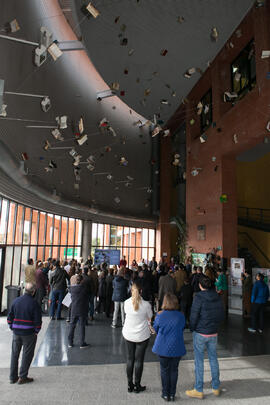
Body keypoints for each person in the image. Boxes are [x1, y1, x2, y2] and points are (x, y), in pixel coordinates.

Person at [186, 277, 224, 399]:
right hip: (213, 332)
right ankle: (216, 387)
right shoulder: (217, 296)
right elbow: (221, 314)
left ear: (200, 286)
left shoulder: (199, 297)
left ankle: (199, 389)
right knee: (213, 358)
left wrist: (192, 327)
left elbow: (194, 314)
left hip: (200, 332)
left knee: (199, 360)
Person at [152, 293, 186, 401]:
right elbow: (182, 328)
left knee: (164, 370)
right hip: (177, 346)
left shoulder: (160, 315)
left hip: (163, 348)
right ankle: (172, 394)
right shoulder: (181, 315)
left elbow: (155, 329)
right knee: (174, 370)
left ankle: (165, 394)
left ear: (164, 302)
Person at [7, 283, 42, 384]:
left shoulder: (16, 301)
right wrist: (36, 331)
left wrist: (12, 327)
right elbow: (37, 321)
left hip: (16, 332)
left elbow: (10, 317)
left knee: (14, 354)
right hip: (29, 333)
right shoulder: (34, 303)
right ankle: (23, 376)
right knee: (27, 354)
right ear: (33, 291)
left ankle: (13, 377)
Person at [122, 282, 153, 393]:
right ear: (141, 292)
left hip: (128, 334)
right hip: (142, 335)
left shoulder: (126, 303)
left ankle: (129, 385)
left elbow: (126, 314)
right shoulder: (146, 305)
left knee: (130, 359)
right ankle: (137, 385)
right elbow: (150, 317)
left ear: (131, 291)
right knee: (139, 361)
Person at [68, 275, 89, 348]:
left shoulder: (72, 288)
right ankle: (82, 343)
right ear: (82, 280)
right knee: (81, 326)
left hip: (74, 309)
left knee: (72, 325)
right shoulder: (84, 288)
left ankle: (70, 342)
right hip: (82, 309)